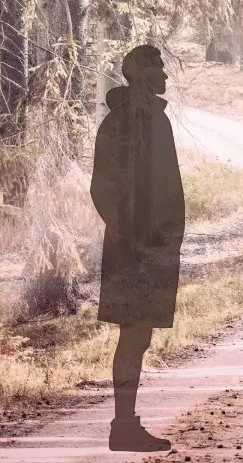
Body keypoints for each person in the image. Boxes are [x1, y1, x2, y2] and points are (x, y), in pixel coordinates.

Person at [90, 45, 185, 452]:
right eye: (158, 70)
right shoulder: (128, 123)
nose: (166, 77)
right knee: (133, 334)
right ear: (143, 76)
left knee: (139, 335)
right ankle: (123, 426)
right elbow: (103, 187)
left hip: (150, 247)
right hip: (137, 249)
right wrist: (130, 233)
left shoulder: (147, 121)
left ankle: (125, 424)